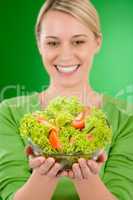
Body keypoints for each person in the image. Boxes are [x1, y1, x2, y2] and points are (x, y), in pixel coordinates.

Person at [0, 0, 133, 199]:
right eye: (53, 43)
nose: (65, 55)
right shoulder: (9, 112)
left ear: (97, 42)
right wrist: (44, 175)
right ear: (39, 44)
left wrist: (86, 178)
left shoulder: (126, 116)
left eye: (78, 41)